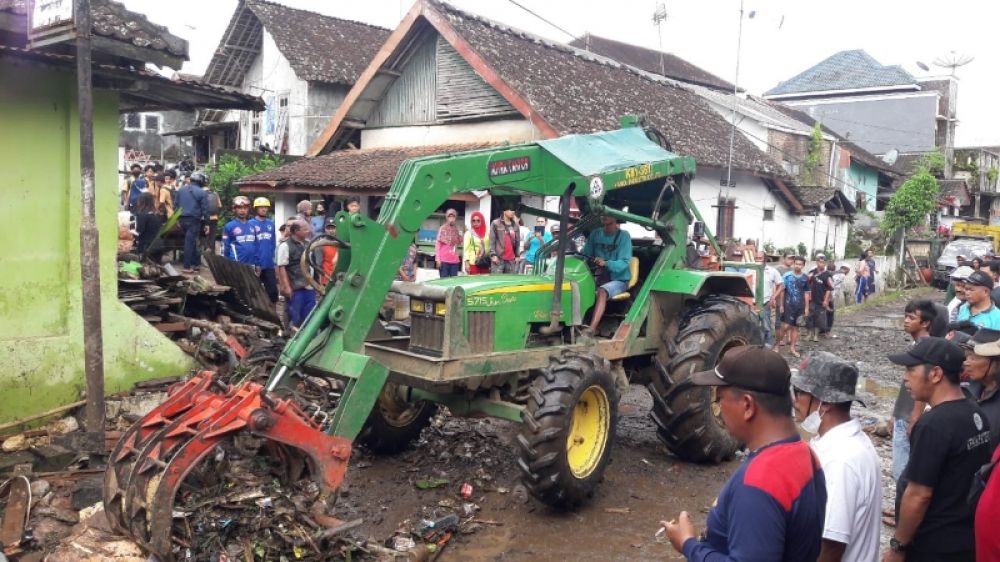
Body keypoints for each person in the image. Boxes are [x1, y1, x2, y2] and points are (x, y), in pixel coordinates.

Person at [662, 346, 826, 562]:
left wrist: (688, 545)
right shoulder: (807, 455)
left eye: (720, 399)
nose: (718, 408)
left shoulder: (759, 482)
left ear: (747, 405)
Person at [884, 337, 991, 562]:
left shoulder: (934, 424)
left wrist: (898, 546)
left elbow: (919, 494)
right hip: (965, 536)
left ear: (935, 374)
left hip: (934, 543)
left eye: (911, 370)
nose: (905, 378)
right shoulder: (975, 412)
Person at [791, 351, 881, 562]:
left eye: (799, 392)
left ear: (825, 403)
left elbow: (831, 545)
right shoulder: (843, 443)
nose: (794, 400)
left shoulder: (841, 460)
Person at [582, 215, 632, 335]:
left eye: (608, 213)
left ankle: (591, 328)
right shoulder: (595, 234)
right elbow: (585, 254)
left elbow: (624, 262)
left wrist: (606, 263)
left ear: (616, 217)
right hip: (599, 276)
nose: (604, 216)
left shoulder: (623, 236)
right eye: (603, 213)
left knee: (602, 290)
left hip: (619, 280)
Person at [961, 328, 1000, 449]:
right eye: (967, 357)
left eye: (974, 358)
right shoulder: (965, 391)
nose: (966, 363)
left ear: (995, 362)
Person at [277, 220, 315, 329]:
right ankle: (292, 338)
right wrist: (287, 287)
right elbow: (281, 267)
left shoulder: (308, 244)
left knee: (309, 314)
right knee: (295, 316)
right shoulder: (285, 246)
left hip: (309, 286)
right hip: (295, 287)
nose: (308, 231)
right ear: (296, 231)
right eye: (305, 229)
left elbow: (312, 264)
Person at [174, 171, 209, 273]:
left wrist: (177, 220)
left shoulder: (181, 190)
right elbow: (205, 209)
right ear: (201, 181)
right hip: (194, 220)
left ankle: (196, 264)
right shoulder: (202, 192)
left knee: (192, 242)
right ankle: (187, 266)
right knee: (190, 243)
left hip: (182, 219)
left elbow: (175, 206)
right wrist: (207, 224)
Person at [776, 256, 810, 358]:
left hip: (800, 306)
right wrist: (781, 305)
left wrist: (806, 308)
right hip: (788, 305)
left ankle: (792, 348)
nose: (798, 266)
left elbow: (806, 293)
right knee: (785, 326)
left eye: (800, 264)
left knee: (796, 328)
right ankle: (776, 345)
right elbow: (782, 291)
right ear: (794, 264)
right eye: (796, 264)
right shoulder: (787, 276)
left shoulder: (805, 278)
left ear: (803, 266)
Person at [248, 197, 278, 303]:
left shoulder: (271, 224)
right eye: (261, 207)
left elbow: (273, 243)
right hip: (256, 264)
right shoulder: (250, 224)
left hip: (269, 263)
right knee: (254, 292)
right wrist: (256, 263)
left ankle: (273, 316)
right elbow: (251, 245)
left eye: (265, 207)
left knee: (273, 293)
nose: (264, 209)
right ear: (256, 209)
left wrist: (274, 261)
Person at [221, 196, 257, 265]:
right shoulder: (229, 226)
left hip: (252, 264)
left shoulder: (252, 226)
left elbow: (256, 246)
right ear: (234, 209)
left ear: (248, 209)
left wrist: (258, 264)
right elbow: (225, 247)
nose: (242, 210)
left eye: (245, 208)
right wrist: (225, 264)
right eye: (239, 208)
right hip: (237, 266)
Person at [758, 251, 782, 349]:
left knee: (766, 326)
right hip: (753, 303)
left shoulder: (772, 271)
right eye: (756, 258)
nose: (757, 260)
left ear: (765, 259)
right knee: (756, 325)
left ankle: (769, 347)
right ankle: (759, 346)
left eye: (760, 258)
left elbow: (780, 285)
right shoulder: (750, 270)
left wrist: (773, 297)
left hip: (765, 302)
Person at [807, 254, 833, 342]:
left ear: (825, 263)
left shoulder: (828, 274)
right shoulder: (812, 273)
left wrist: (826, 300)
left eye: (823, 262)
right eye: (819, 262)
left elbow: (829, 288)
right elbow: (807, 284)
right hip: (811, 299)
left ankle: (816, 335)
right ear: (816, 262)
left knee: (819, 318)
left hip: (821, 299)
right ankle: (809, 334)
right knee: (810, 317)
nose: (821, 264)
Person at [490, 203, 522, 274]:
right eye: (511, 210)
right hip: (499, 258)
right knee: (496, 282)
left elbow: (517, 242)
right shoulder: (495, 223)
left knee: (510, 283)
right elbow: (492, 240)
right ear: (504, 211)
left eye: (514, 210)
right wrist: (493, 255)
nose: (513, 212)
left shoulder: (515, 225)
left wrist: (517, 255)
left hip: (511, 260)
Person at [131, 192, 164, 259]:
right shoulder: (157, 214)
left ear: (141, 202)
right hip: (158, 246)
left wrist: (130, 231)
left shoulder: (142, 215)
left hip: (146, 247)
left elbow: (139, 230)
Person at [435, 208, 462, 278]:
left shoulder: (457, 229)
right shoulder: (442, 228)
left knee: (453, 282)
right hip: (444, 261)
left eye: (453, 216)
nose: (451, 218)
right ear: (447, 217)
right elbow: (438, 245)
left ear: (456, 217)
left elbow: (459, 242)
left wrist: (462, 233)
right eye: (450, 216)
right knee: (444, 282)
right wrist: (438, 259)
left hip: (454, 261)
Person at [462, 211, 490, 275]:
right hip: (473, 262)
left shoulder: (487, 233)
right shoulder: (468, 234)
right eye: (473, 221)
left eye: (478, 221)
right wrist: (466, 263)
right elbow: (466, 250)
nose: (475, 223)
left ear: (482, 221)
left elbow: (489, 247)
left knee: (484, 282)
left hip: (485, 262)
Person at [201, 182, 221, 253]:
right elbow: (219, 205)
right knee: (212, 235)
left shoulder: (200, 194)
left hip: (203, 218)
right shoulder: (215, 194)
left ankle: (206, 248)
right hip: (214, 218)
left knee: (204, 234)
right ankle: (212, 250)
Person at [318, 218, 339, 285]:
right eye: (328, 228)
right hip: (326, 281)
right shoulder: (320, 244)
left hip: (339, 279)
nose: (331, 230)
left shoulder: (341, 243)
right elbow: (318, 265)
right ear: (325, 229)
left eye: (333, 228)